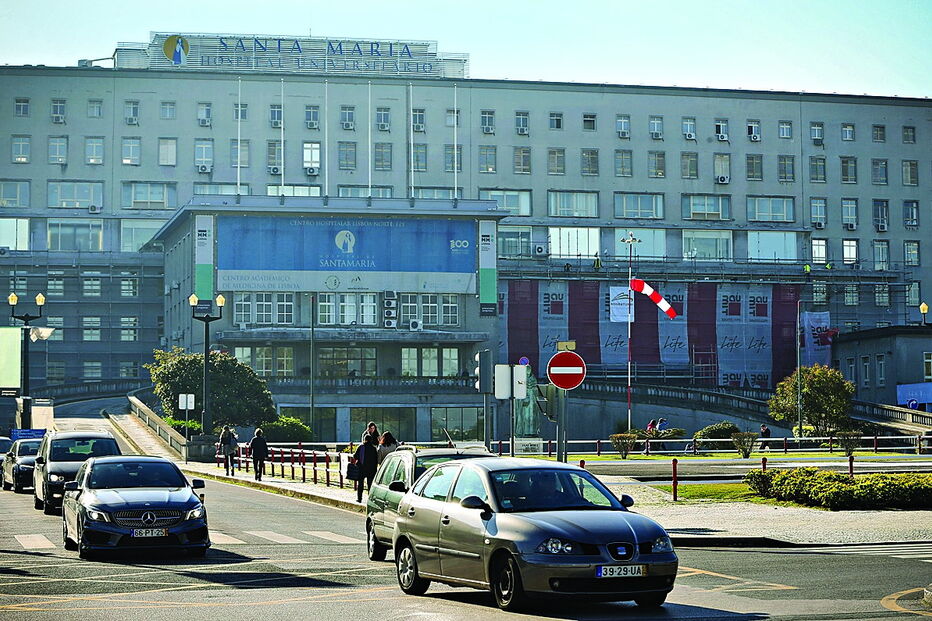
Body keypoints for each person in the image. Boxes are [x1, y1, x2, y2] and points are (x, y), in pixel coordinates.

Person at [353, 433, 378, 503]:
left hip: (361, 468)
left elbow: (355, 456)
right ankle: (370, 500)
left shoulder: (361, 447)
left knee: (360, 484)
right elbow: (376, 460)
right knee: (370, 484)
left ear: (364, 439)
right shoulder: (373, 448)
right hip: (371, 469)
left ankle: (359, 498)